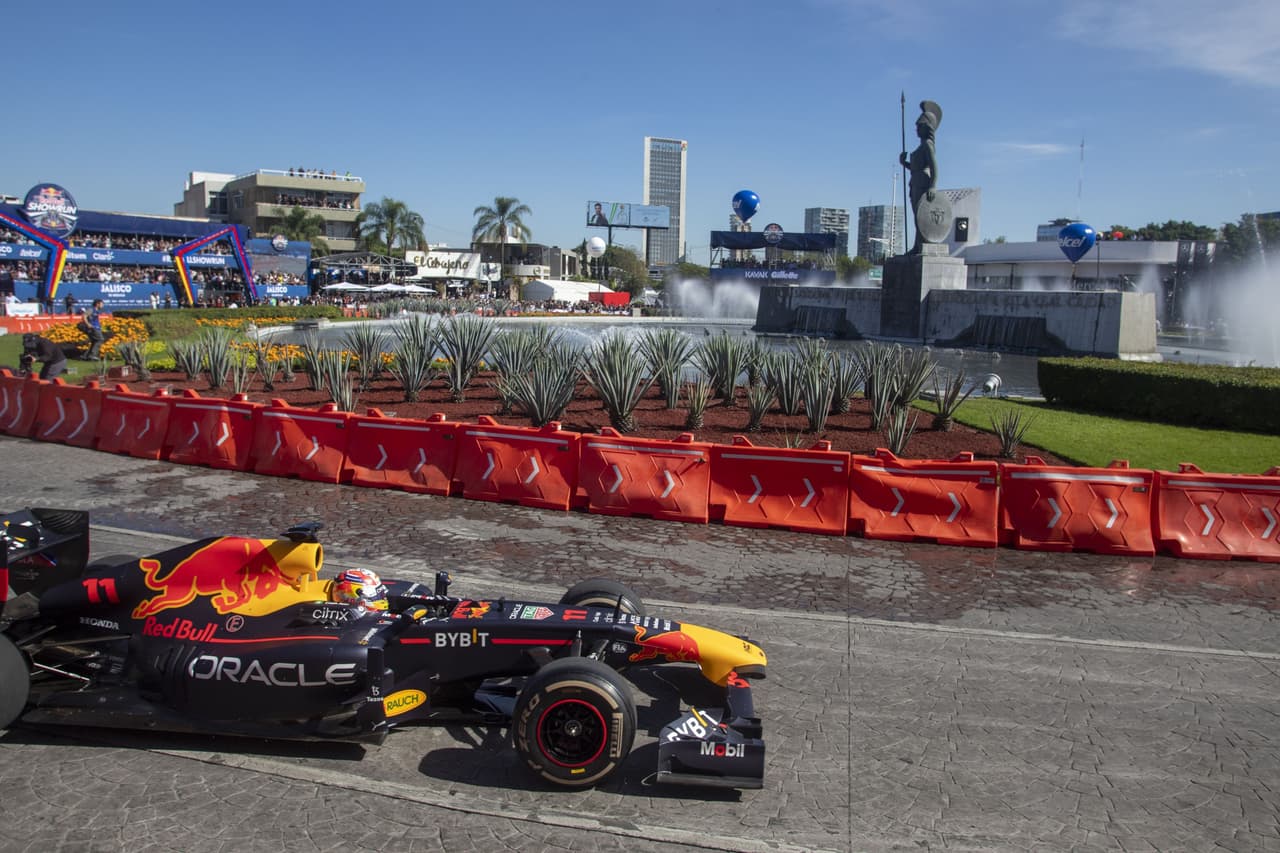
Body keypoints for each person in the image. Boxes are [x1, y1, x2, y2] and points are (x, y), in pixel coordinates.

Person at [900, 99, 942, 254]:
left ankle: (921, 244)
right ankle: (917, 246)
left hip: (923, 183)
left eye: (919, 126)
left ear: (927, 127)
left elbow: (933, 166)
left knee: (921, 217)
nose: (916, 129)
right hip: (915, 182)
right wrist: (904, 163)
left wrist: (932, 186)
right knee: (916, 218)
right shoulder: (921, 146)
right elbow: (915, 168)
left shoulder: (927, 146)